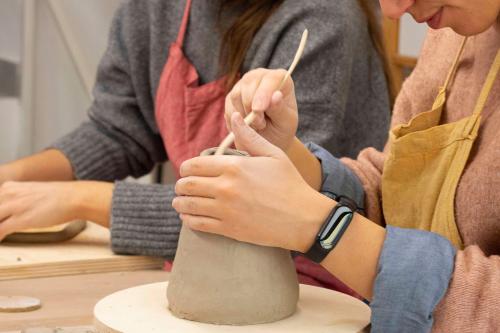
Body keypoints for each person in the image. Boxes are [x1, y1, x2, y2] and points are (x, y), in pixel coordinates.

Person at [0, 1, 391, 290]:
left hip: (308, 287)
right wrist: (12, 180)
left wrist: (77, 200)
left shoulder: (323, 19)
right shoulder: (153, 9)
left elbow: (262, 213)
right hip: (204, 267)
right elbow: (119, 129)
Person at [172, 0, 500, 331]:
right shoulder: (451, 34)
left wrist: (321, 229)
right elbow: (398, 196)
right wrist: (291, 156)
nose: (392, 10)